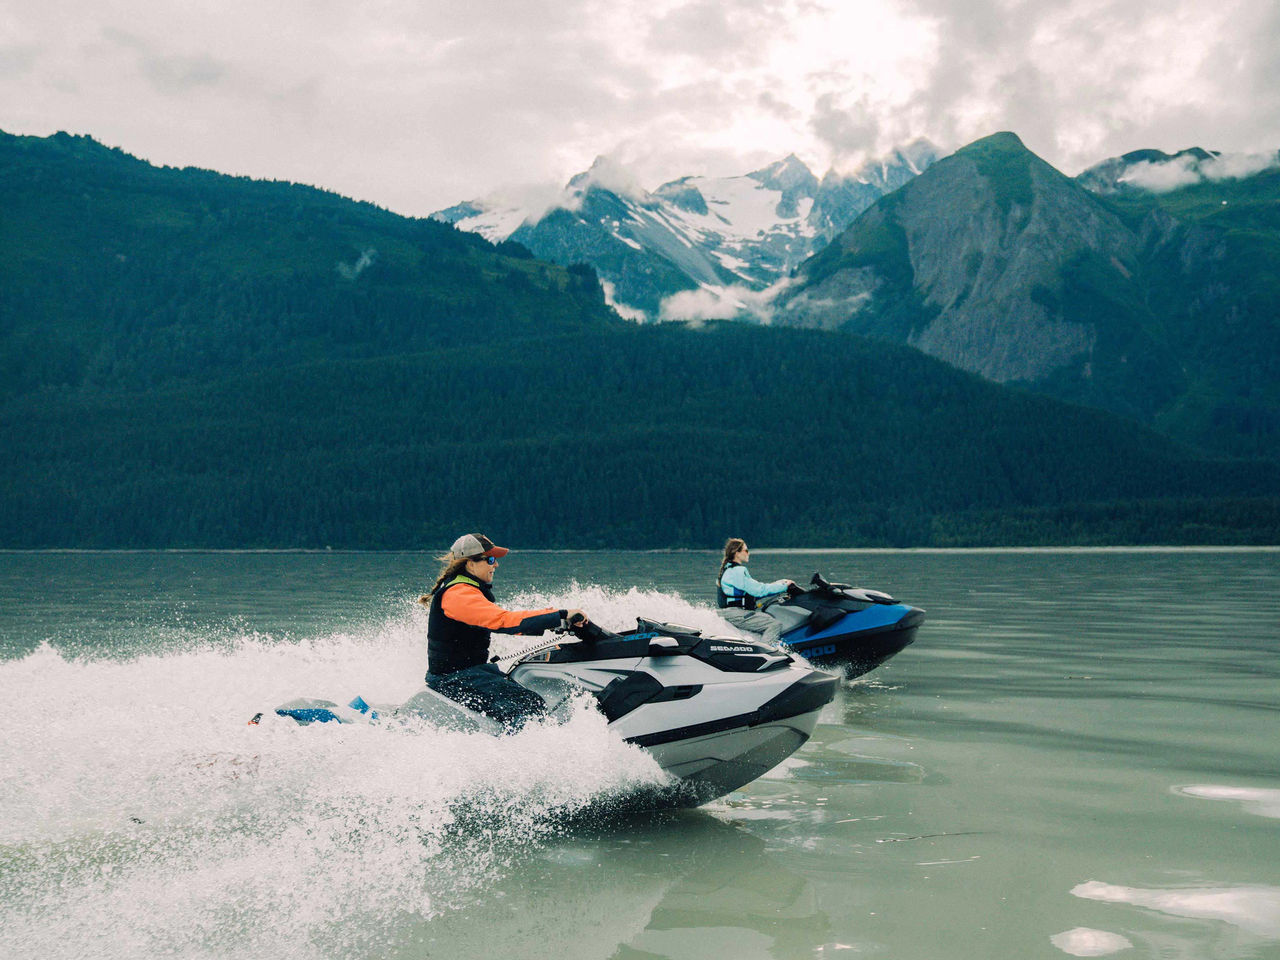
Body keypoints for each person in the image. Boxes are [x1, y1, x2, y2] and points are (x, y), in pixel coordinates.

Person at [418, 533, 589, 727]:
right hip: (454, 679)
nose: (496, 565)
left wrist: (556, 621)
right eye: (490, 559)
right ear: (470, 564)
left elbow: (506, 620)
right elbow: (503, 621)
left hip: (470, 673)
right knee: (530, 706)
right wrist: (559, 614)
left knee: (527, 693)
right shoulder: (459, 594)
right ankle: (515, 754)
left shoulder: (467, 589)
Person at [715, 538, 794, 646]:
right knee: (774, 624)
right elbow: (759, 590)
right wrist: (785, 586)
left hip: (731, 612)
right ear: (737, 553)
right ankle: (765, 652)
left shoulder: (728, 569)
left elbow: (754, 591)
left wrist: (779, 584)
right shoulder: (737, 571)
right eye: (746, 550)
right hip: (736, 614)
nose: (748, 553)